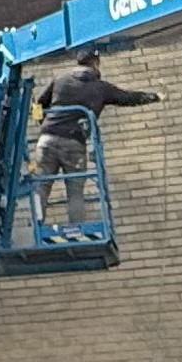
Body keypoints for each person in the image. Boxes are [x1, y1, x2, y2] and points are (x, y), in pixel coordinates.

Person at [29, 48, 160, 233]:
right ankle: (76, 230)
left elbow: (37, 104)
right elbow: (127, 97)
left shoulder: (60, 79)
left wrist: (42, 123)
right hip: (74, 143)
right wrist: (154, 97)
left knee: (40, 187)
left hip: (46, 141)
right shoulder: (101, 87)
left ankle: (35, 227)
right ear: (95, 63)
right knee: (75, 191)